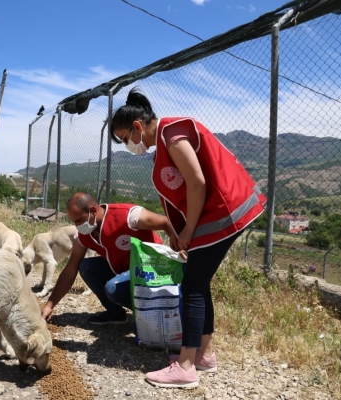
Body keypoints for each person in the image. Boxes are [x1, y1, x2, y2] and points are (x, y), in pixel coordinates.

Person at [111, 87, 266, 389]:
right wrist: (181, 232)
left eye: (125, 138)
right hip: (217, 215)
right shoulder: (166, 140)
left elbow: (197, 182)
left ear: (137, 127)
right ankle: (204, 355)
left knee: (192, 285)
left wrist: (188, 231)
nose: (127, 145)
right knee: (198, 281)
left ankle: (184, 366)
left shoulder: (171, 133)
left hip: (223, 212)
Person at [40, 192, 179, 325]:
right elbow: (71, 269)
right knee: (86, 267)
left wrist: (180, 250)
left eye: (79, 220)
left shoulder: (128, 216)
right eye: (74, 222)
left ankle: (153, 312)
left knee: (112, 288)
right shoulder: (84, 235)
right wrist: (49, 305)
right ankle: (116, 314)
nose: (77, 226)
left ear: (93, 211)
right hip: (124, 272)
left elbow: (166, 223)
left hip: (150, 271)